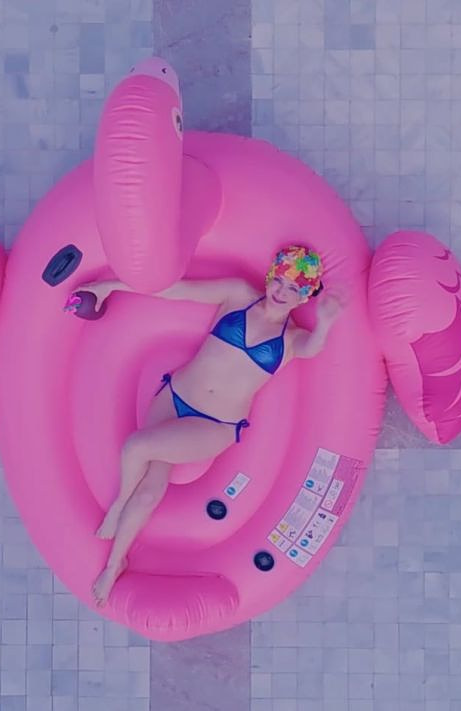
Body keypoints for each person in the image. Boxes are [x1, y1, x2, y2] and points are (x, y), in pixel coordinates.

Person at [78, 245, 345, 605]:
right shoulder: (239, 295)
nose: (281, 292)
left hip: (215, 424)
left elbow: (312, 348)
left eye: (293, 289)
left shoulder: (291, 339)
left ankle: (117, 504)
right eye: (279, 281)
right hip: (173, 396)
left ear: (305, 296)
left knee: (136, 447)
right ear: (270, 277)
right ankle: (115, 563)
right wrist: (111, 285)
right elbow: (178, 290)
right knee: (149, 494)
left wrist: (325, 322)